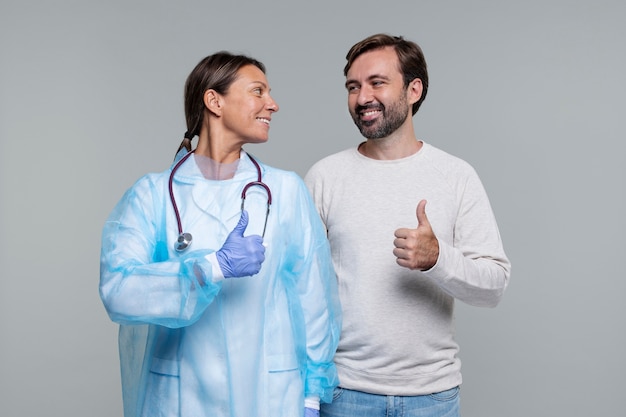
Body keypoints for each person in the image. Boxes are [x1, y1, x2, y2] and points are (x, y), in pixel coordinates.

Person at [99, 51, 341, 417]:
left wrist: (311, 396)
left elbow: (314, 299)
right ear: (214, 101)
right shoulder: (154, 194)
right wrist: (212, 267)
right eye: (258, 91)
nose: (272, 105)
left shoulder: (285, 190)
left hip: (271, 393)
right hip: (183, 394)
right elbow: (118, 291)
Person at [304, 34, 511, 417]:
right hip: (344, 392)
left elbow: (493, 287)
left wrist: (438, 259)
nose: (362, 97)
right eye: (353, 86)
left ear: (414, 89)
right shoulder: (324, 177)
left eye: (377, 82)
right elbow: (300, 290)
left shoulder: (455, 176)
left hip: (432, 397)